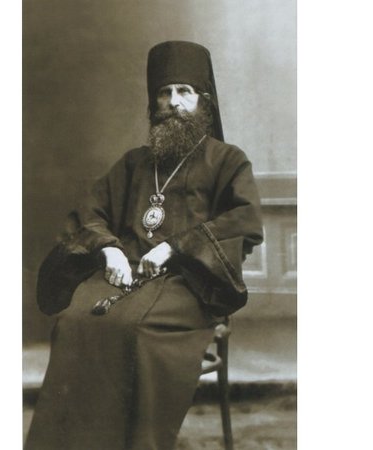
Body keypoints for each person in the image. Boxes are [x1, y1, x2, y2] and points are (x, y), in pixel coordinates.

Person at [24, 40, 263, 450]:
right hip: (126, 275)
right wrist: (109, 249)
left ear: (204, 101)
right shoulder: (135, 162)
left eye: (185, 92)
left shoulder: (227, 160)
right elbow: (89, 213)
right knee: (73, 321)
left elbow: (243, 220)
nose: (174, 102)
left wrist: (175, 248)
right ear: (154, 102)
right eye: (164, 93)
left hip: (191, 283)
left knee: (136, 330)